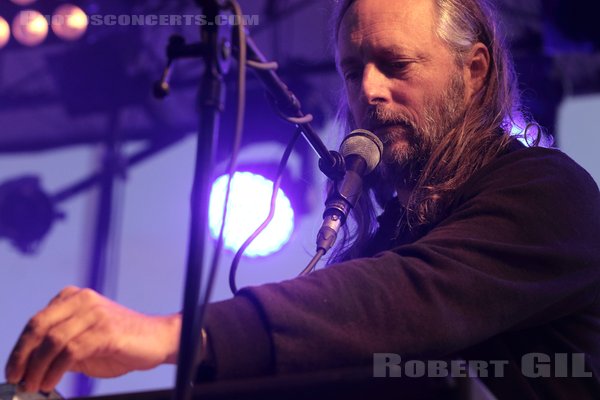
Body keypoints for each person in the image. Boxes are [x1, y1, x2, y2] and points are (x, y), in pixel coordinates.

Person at [5, 0, 600, 398]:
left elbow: (404, 299)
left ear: (472, 74)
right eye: (352, 69)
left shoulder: (548, 194)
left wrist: (168, 335)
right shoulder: (381, 238)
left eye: (395, 65)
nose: (368, 89)